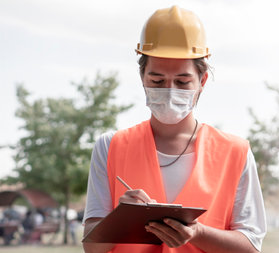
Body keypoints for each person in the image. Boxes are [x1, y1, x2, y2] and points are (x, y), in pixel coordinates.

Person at [82, 5, 266, 253]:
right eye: (157, 81)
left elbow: (251, 247)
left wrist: (197, 232)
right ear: (142, 78)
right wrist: (120, 218)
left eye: (182, 81)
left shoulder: (236, 152)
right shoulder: (110, 146)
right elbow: (92, 248)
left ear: (202, 81)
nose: (169, 90)